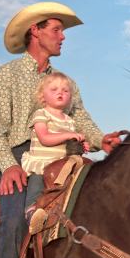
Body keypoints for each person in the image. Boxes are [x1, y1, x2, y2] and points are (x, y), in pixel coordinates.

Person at [0, 2, 121, 258]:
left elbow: (82, 119)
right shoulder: (7, 75)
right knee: (15, 221)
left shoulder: (65, 82)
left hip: (66, 155)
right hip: (24, 158)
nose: (63, 37)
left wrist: (100, 140)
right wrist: (9, 165)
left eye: (62, 31)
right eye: (57, 30)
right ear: (36, 31)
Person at [21, 72, 88, 233]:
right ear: (42, 95)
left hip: (61, 165)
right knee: (36, 184)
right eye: (54, 89)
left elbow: (70, 141)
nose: (60, 93)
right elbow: (44, 138)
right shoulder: (41, 114)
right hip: (42, 163)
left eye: (65, 91)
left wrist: (81, 143)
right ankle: (31, 212)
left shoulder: (70, 121)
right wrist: (68, 135)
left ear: (70, 97)